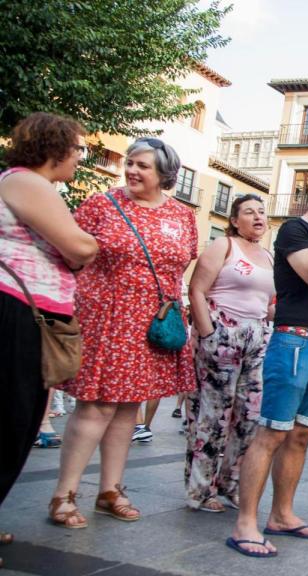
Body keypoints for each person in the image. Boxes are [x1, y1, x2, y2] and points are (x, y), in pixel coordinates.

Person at [49, 138, 196, 528]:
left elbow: (181, 264)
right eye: (130, 163)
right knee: (96, 405)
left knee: (129, 406)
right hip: (108, 315)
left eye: (142, 166)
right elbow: (67, 251)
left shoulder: (183, 216)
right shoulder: (103, 204)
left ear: (164, 174)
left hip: (153, 320)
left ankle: (110, 490)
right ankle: (64, 494)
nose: (132, 170)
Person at [228, 164, 308, 558]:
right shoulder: (294, 231)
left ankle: (282, 515)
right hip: (294, 343)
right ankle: (245, 523)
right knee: (272, 434)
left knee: (301, 436)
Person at [1, 114, 97, 545]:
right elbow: (79, 247)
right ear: (53, 147)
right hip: (15, 309)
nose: (79, 156)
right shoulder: (26, 182)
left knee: (21, 419)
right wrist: (85, 246)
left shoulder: (38, 188)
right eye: (76, 148)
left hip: (33, 311)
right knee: (11, 419)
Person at [184, 194, 275, 512]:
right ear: (235, 220)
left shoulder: (267, 255)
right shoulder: (224, 246)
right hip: (221, 337)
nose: (258, 217)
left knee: (248, 418)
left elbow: (269, 303)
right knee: (213, 417)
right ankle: (201, 490)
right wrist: (209, 334)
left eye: (262, 212)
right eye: (249, 212)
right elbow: (196, 289)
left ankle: (230, 483)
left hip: (255, 342)